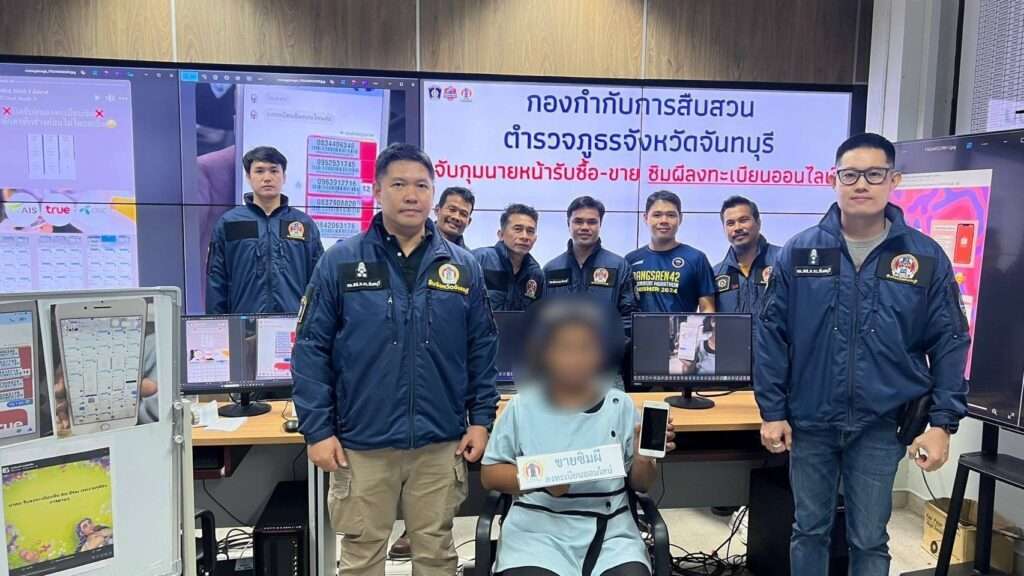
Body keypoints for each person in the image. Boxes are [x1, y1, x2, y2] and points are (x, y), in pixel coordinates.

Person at [756, 133, 970, 575]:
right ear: (833, 180)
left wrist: (942, 424)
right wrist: (772, 411)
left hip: (881, 424)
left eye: (874, 174)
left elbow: (949, 340)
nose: (861, 184)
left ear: (894, 180)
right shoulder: (800, 251)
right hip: (811, 420)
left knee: (870, 539)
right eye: (850, 174)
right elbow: (771, 334)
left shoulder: (923, 257)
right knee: (808, 530)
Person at [291, 143, 499, 576]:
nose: (411, 195)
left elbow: (481, 348)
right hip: (362, 443)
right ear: (377, 190)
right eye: (399, 184)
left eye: (422, 186)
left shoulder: (462, 267)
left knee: (437, 554)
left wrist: (481, 420)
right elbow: (310, 349)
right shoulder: (340, 261)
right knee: (362, 557)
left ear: (432, 194)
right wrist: (318, 430)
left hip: (439, 441)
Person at [481, 296, 675, 576]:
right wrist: (544, 478)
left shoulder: (620, 406)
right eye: (564, 349)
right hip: (537, 529)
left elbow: (641, 484)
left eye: (586, 349)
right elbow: (490, 475)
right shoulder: (522, 407)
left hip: (610, 530)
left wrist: (643, 459)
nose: (575, 359)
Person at [206, 146, 323, 314]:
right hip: (244, 323)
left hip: (293, 323)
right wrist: (217, 325)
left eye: (274, 171)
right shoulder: (229, 223)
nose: (267, 178)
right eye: (259, 171)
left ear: (284, 177)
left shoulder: (304, 224)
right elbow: (216, 280)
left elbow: (318, 281)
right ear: (248, 177)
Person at [543, 196, 634, 321]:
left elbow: (628, 318)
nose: (585, 227)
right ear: (568, 224)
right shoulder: (551, 269)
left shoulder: (619, 267)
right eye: (578, 221)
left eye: (592, 222)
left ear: (600, 224)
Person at [626, 191, 715, 313]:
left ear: (680, 219)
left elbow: (708, 309)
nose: (664, 220)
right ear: (646, 218)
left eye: (671, 215)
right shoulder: (630, 260)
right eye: (657, 215)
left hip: (683, 326)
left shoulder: (696, 259)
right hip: (639, 326)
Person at [713, 196, 782, 313]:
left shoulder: (782, 261)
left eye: (743, 220)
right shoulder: (716, 274)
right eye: (730, 223)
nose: (737, 228)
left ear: (758, 223)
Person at [473, 203, 544, 311]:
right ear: (501, 234)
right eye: (518, 229)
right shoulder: (478, 260)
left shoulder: (536, 274)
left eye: (530, 231)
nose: (524, 236)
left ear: (535, 238)